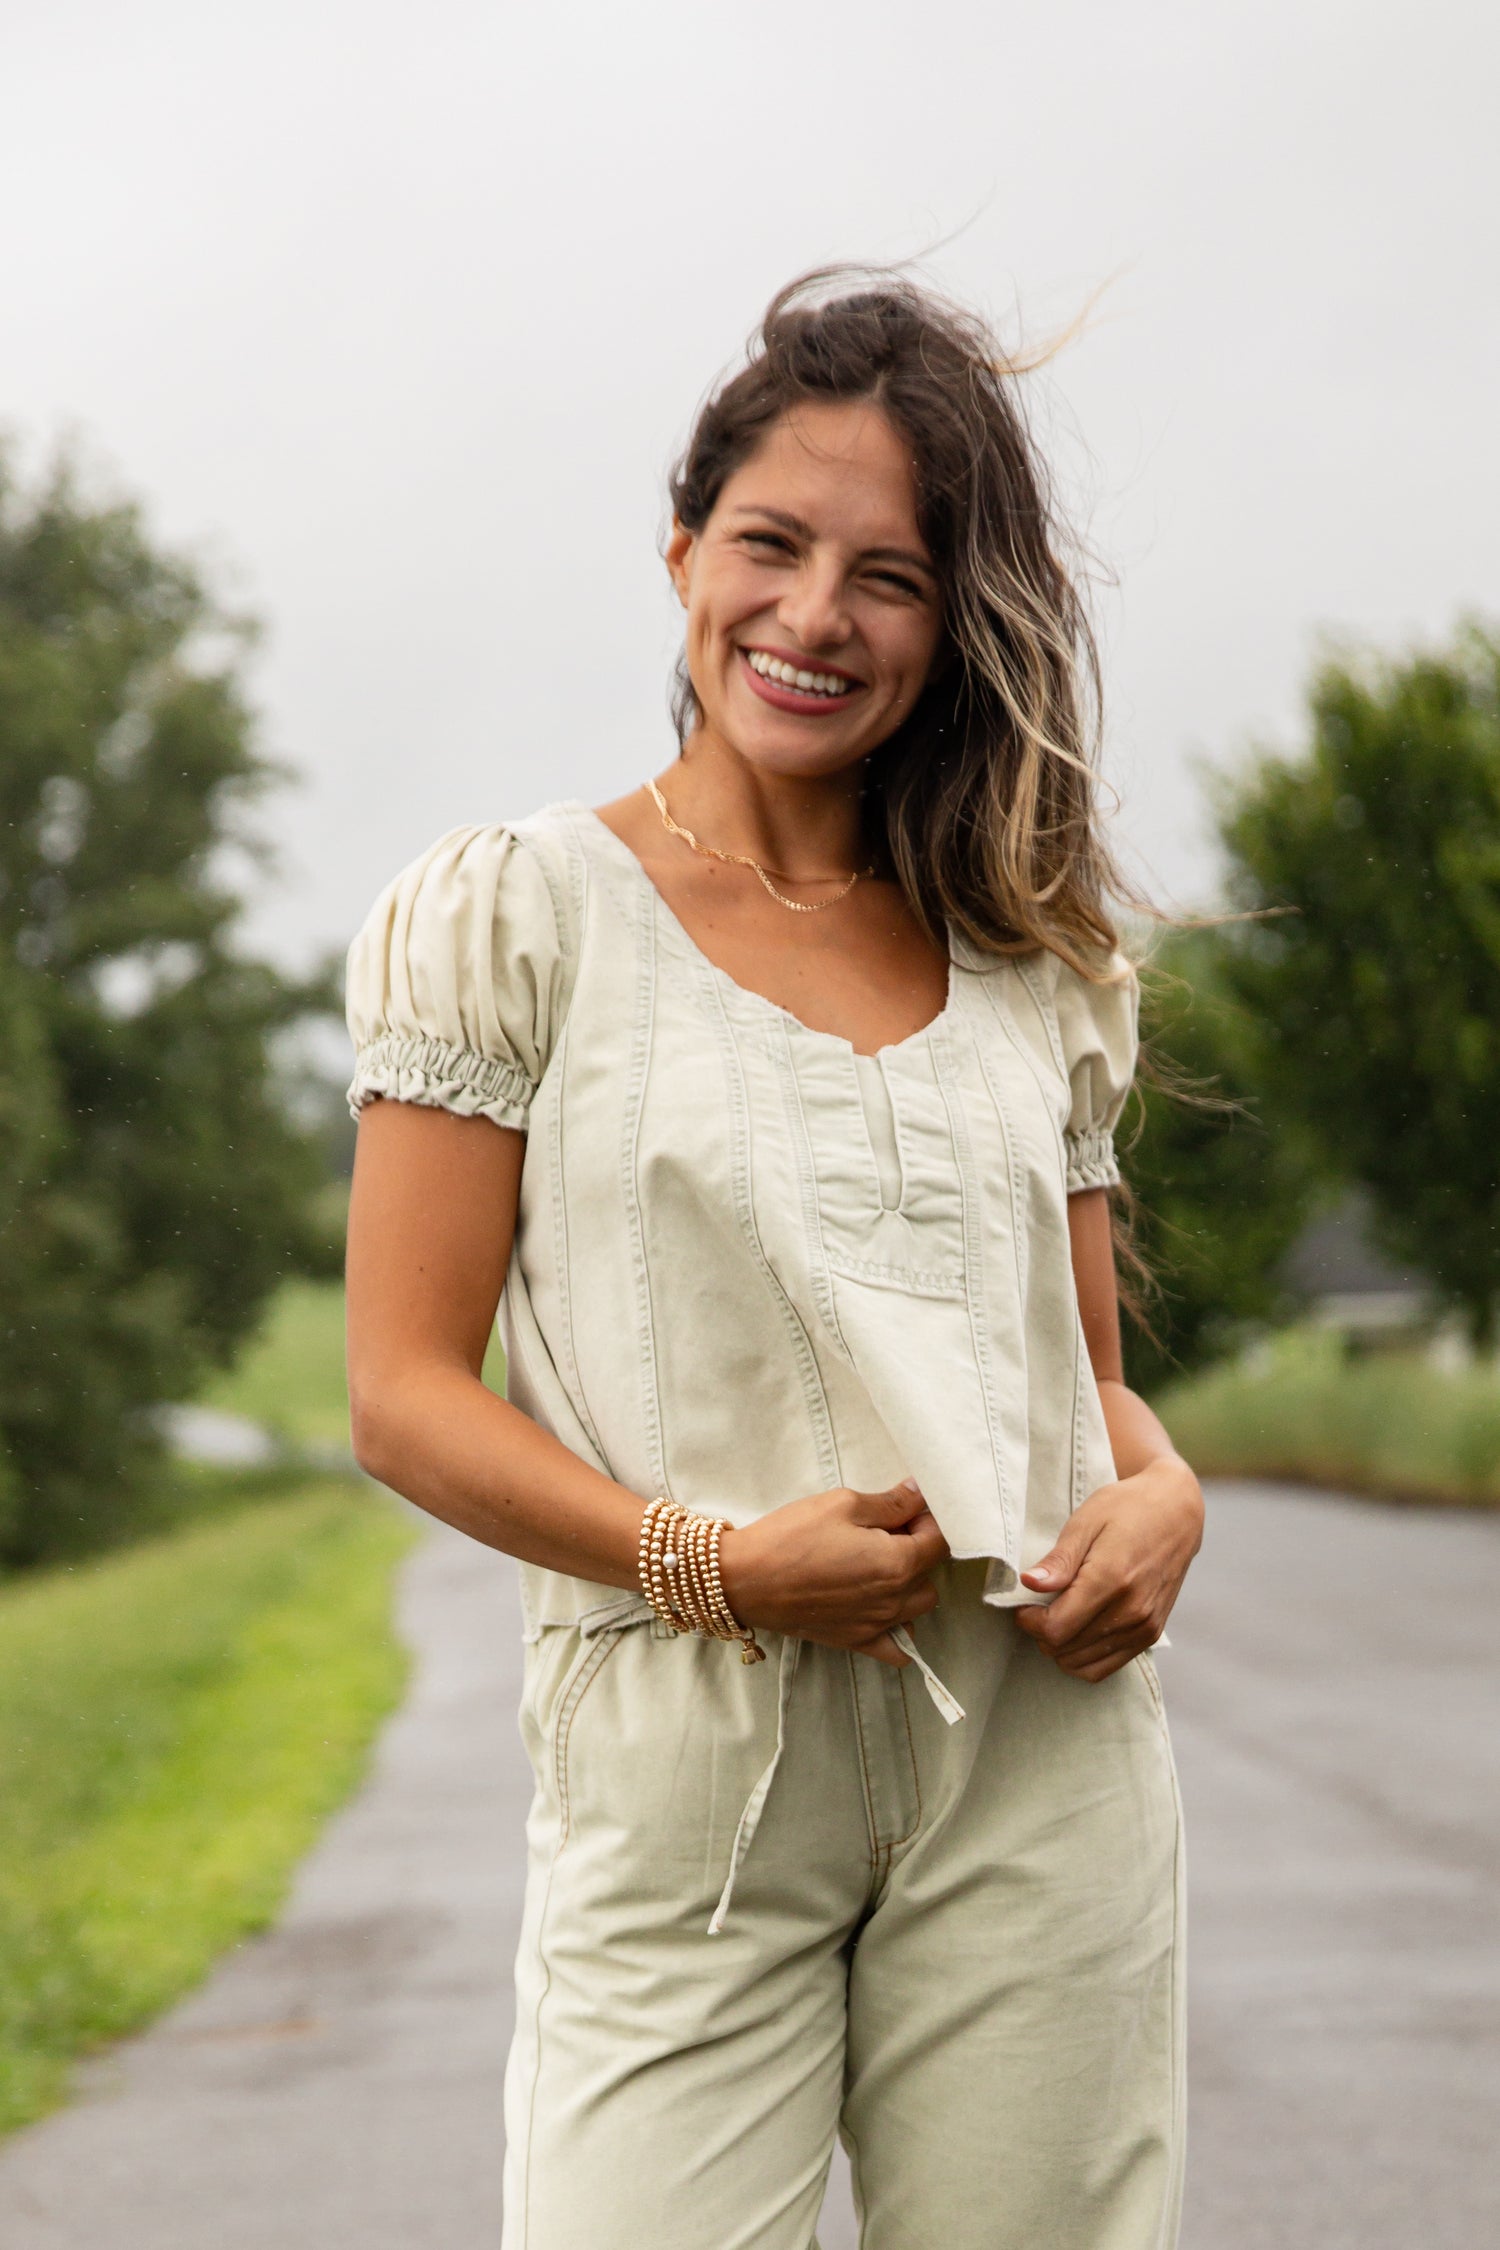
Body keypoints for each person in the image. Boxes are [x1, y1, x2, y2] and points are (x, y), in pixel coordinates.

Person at [344, 270, 1204, 2250]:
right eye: (772, 545)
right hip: (688, 1762)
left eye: (888, 575)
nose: (815, 617)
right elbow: (400, 1393)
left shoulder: (1034, 960)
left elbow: (1080, 1387)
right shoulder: (517, 915)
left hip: (1038, 1753)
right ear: (682, 555)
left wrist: (1167, 1503)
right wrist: (715, 1564)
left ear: (954, 619)